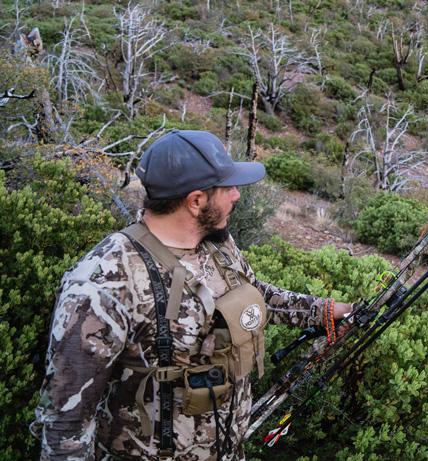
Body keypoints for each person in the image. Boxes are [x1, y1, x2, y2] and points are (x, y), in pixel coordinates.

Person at [32, 129, 352, 460]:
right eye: (227, 188)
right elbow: (64, 423)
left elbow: (254, 295)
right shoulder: (106, 281)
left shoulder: (218, 243)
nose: (237, 195)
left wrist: (323, 311)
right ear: (196, 201)